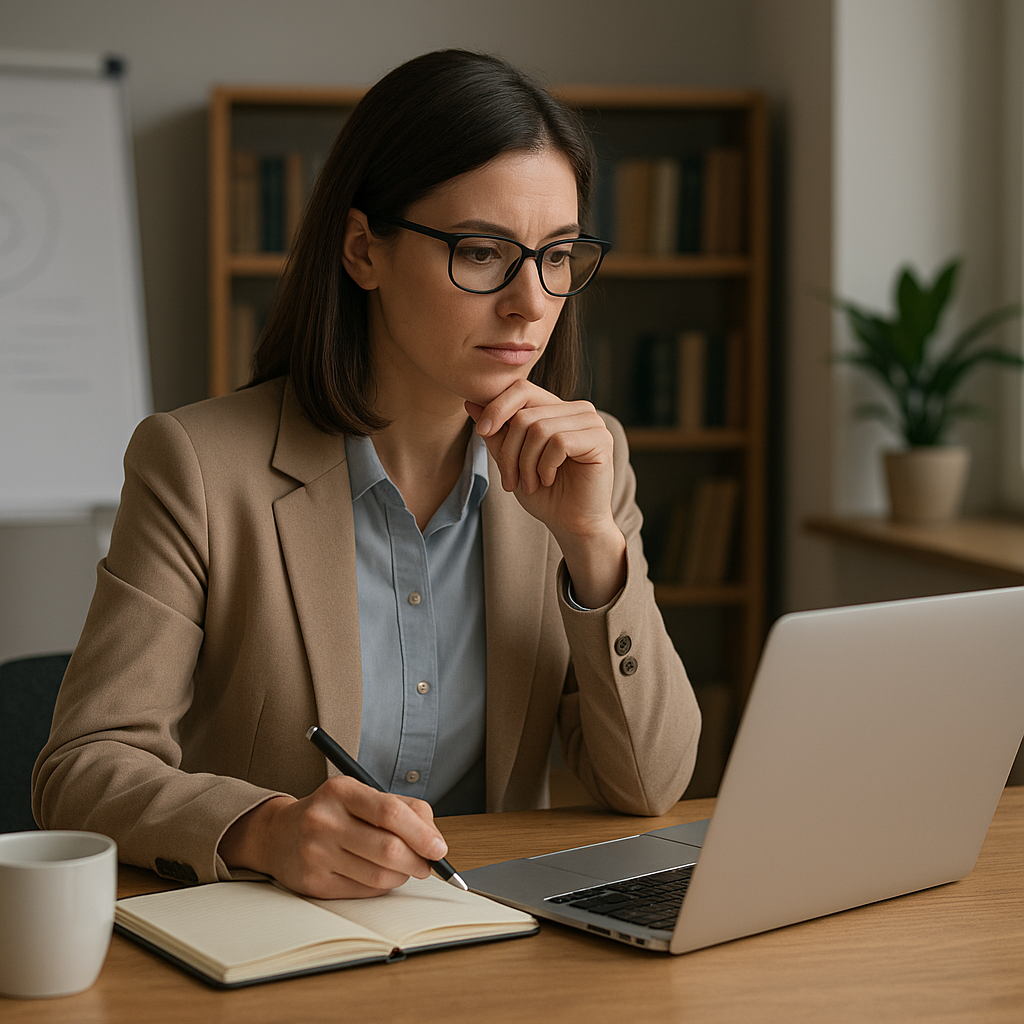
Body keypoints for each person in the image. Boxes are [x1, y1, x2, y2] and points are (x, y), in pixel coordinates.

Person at [33, 49, 700, 899]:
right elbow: (81, 770)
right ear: (362, 251)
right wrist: (264, 829)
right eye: (483, 251)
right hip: (270, 942)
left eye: (558, 254)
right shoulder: (197, 466)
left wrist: (592, 553)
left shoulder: (586, 460)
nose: (532, 301)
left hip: (486, 934)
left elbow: (649, 784)